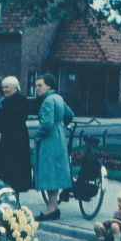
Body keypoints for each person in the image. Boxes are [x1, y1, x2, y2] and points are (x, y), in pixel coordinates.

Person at [33, 74, 74, 221]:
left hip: (49, 139)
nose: (37, 88)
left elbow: (46, 124)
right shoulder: (58, 98)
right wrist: (61, 125)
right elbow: (70, 114)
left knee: (49, 171)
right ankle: (54, 207)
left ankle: (50, 208)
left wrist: (37, 135)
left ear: (49, 86)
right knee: (55, 171)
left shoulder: (47, 101)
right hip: (59, 137)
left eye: (40, 85)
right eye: (36, 85)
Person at [0, 76, 32, 192]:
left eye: (7, 87)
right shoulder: (3, 102)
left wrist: (4, 137)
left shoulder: (22, 100)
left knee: (15, 177)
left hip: (16, 143)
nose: (4, 89)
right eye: (3, 87)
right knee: (3, 175)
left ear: (14, 87)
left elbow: (17, 121)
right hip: (3, 144)